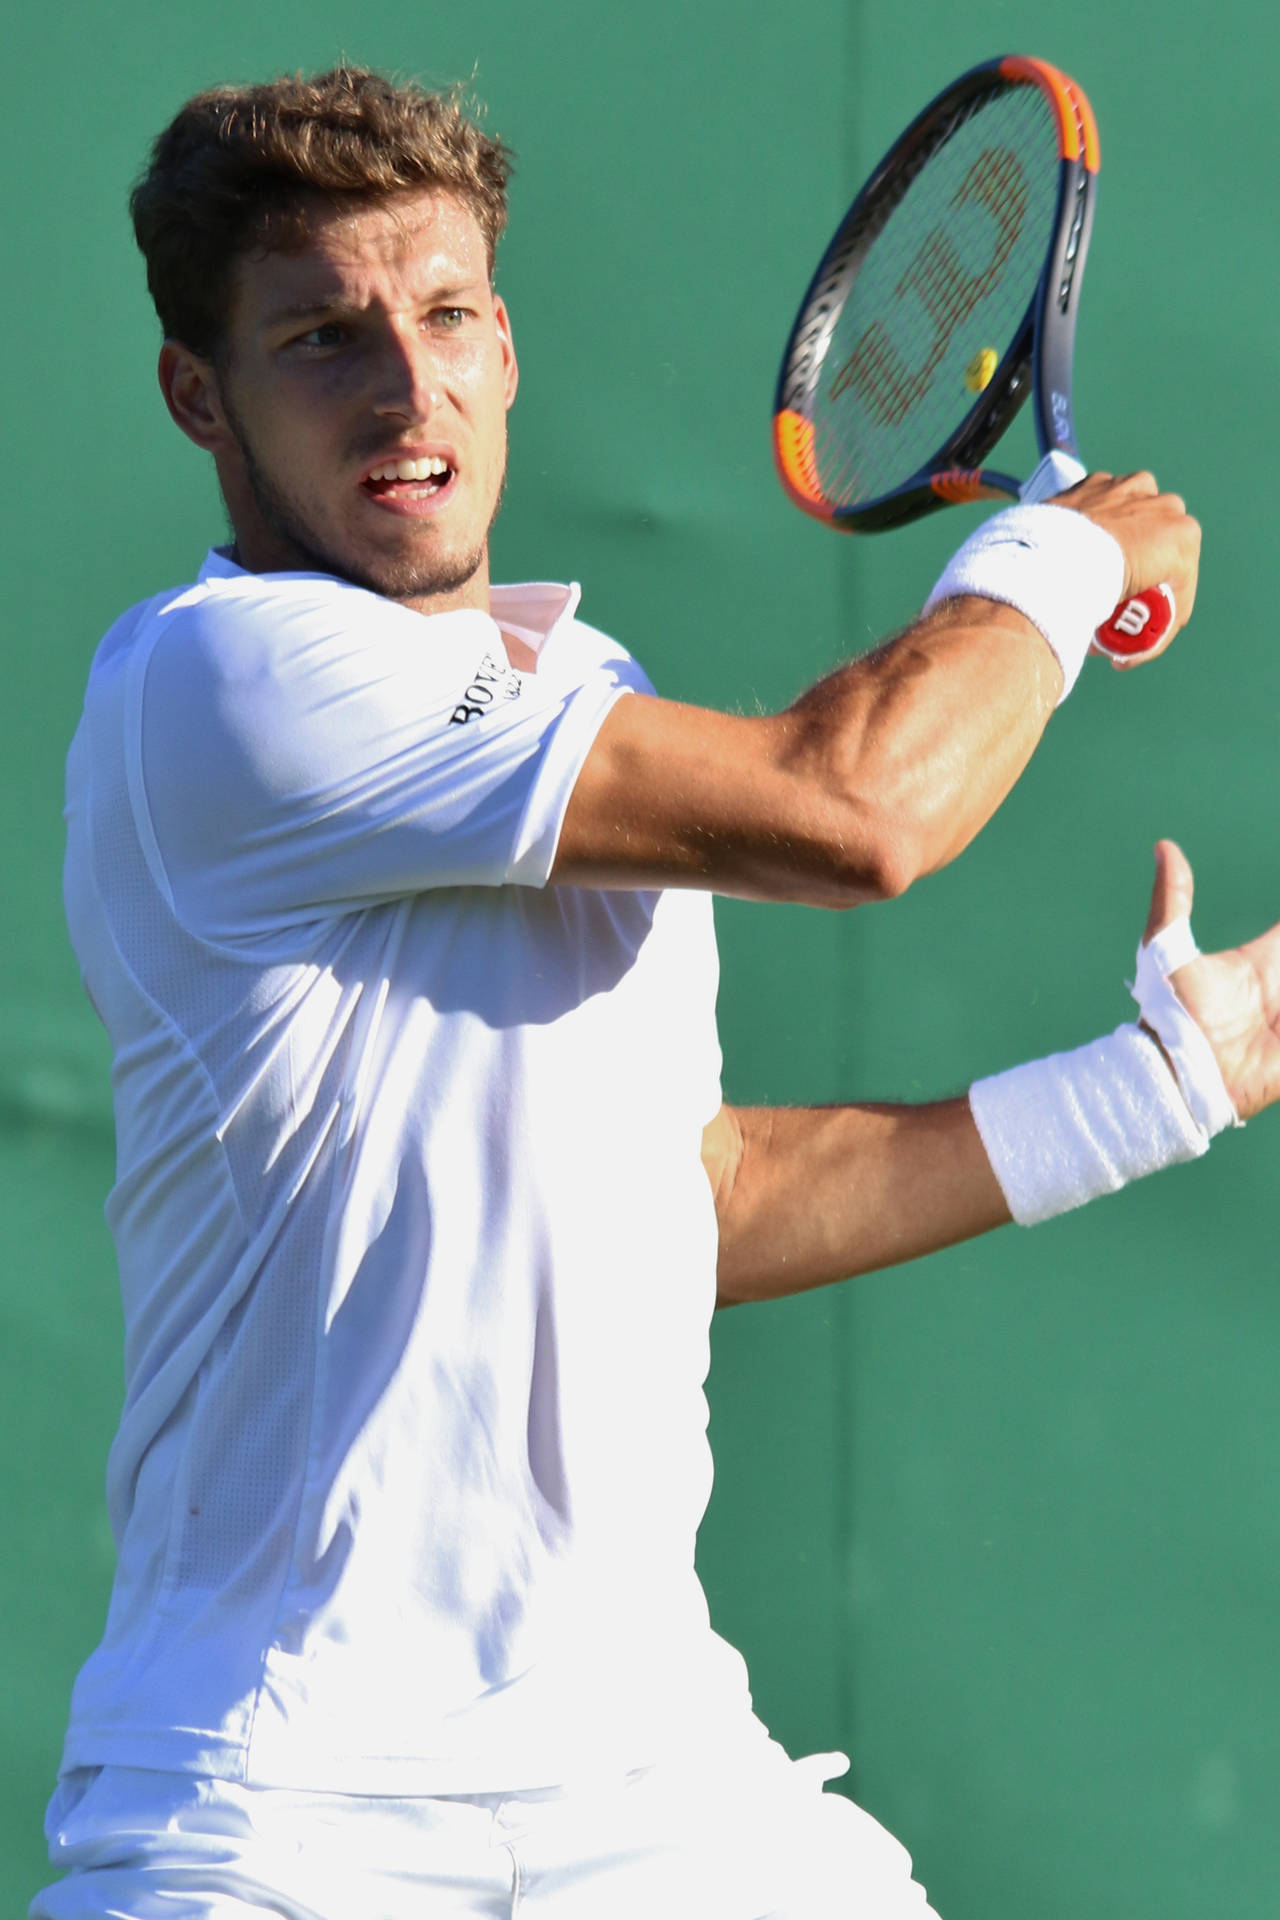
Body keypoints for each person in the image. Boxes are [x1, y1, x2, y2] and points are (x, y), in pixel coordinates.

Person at [33, 65, 1279, 1920]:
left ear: (508, 348)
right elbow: (856, 811)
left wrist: (1161, 1083)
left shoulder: (575, 684)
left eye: (447, 314)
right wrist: (1060, 551)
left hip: (656, 1781)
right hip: (283, 1803)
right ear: (199, 393)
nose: (407, 384)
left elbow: (680, 1197)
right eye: (323, 336)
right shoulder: (220, 682)